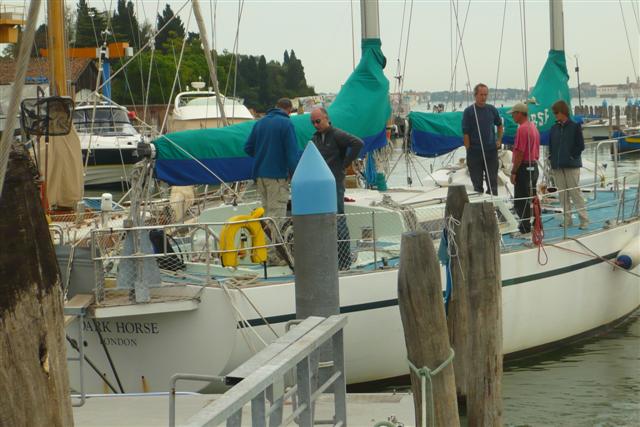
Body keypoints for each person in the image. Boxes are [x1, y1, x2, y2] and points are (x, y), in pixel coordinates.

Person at [244, 98, 299, 264]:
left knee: (268, 214)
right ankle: (273, 256)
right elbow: (292, 153)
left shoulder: (260, 123)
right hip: (276, 176)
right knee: (276, 217)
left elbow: (248, 148)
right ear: (289, 110)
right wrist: (296, 175)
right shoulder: (286, 124)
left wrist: (263, 155)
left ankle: (269, 254)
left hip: (260, 176)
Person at [310, 107, 363, 270]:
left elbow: (358, 143)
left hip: (335, 183)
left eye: (318, 121)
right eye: (313, 123)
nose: (315, 125)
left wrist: (345, 164)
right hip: (321, 184)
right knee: (324, 219)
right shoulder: (315, 138)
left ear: (326, 118)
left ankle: (344, 260)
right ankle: (330, 256)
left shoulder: (337, 134)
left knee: (338, 218)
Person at [549, 100, 589, 229]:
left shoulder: (575, 126)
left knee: (575, 193)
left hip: (571, 165)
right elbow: (551, 146)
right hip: (558, 166)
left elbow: (580, 145)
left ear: (562, 112)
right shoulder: (554, 128)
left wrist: (572, 156)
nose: (555, 115)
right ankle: (567, 220)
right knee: (562, 195)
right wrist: (551, 158)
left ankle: (584, 220)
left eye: (556, 112)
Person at [462, 83, 504, 195]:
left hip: (491, 152)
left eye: (486, 95)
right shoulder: (469, 112)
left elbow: (499, 125)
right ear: (475, 95)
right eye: (481, 95)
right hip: (474, 153)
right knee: (477, 186)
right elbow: (465, 133)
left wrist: (499, 140)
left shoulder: (492, 110)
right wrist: (468, 150)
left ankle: (493, 204)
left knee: (493, 184)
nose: (484, 97)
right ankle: (479, 204)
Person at [508, 102, 540, 235]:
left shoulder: (522, 129)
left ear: (520, 114)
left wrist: (514, 171)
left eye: (513, 114)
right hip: (534, 166)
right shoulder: (533, 126)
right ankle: (536, 223)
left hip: (524, 167)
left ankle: (525, 228)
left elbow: (520, 152)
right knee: (532, 197)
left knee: (520, 201)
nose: (512, 116)